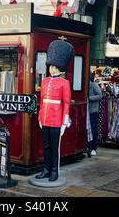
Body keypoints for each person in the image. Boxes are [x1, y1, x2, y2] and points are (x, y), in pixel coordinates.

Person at [36, 40, 73, 183]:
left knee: (54, 148)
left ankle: (54, 171)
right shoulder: (44, 81)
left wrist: (64, 121)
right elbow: (42, 100)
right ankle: (46, 170)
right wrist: (40, 117)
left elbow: (66, 103)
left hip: (57, 119)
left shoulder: (65, 83)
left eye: (54, 67)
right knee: (45, 147)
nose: (51, 69)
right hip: (45, 118)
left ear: (59, 68)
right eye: (50, 66)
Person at [88, 74, 102, 156]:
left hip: (93, 111)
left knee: (93, 130)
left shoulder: (94, 85)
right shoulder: (86, 86)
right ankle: (89, 146)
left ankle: (93, 148)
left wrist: (89, 98)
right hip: (87, 111)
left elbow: (100, 95)